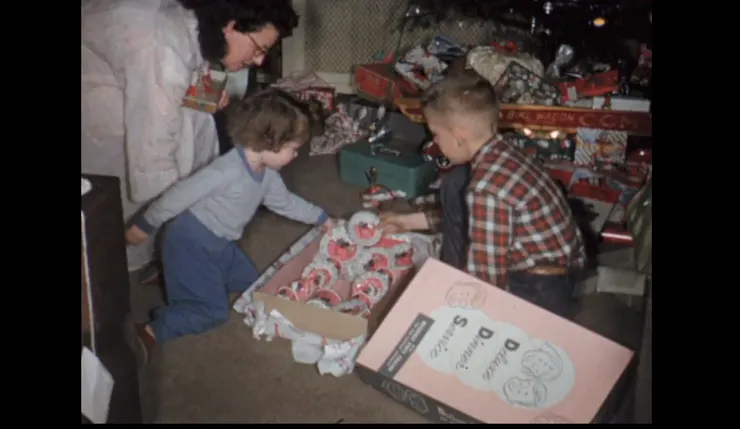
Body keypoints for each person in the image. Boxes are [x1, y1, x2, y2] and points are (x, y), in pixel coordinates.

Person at [82, 0, 299, 277]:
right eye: (260, 49)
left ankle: (170, 242)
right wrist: (184, 216)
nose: (259, 61)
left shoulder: (193, 20)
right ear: (231, 27)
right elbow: (153, 153)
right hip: (104, 101)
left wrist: (205, 95)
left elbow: (189, 60)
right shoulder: (160, 50)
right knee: (126, 210)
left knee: (197, 124)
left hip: (138, 76)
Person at [124, 89, 334, 365]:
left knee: (255, 284)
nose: (296, 155)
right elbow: (177, 196)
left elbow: (285, 203)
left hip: (220, 243)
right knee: (213, 311)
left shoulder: (267, 174)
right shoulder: (226, 170)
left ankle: (173, 275)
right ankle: (152, 330)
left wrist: (321, 217)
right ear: (270, 142)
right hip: (190, 242)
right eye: (293, 148)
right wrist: (144, 225)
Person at [379, 70, 585, 318]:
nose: (435, 143)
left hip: (538, 287)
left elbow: (486, 279)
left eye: (436, 135)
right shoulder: (502, 152)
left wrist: (465, 311)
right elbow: (469, 215)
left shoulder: (485, 189)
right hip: (558, 266)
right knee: (455, 182)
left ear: (458, 136)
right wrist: (406, 222)